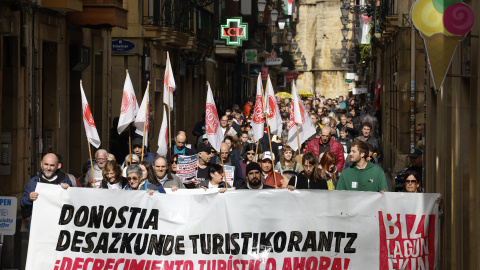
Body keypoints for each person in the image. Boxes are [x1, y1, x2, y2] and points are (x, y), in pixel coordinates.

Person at [20, 153, 72, 228]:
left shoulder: (65, 182)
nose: (48, 168)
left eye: (52, 165)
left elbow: (73, 203)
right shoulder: (33, 182)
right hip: (38, 227)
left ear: (58, 166)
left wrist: (68, 190)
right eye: (46, 164)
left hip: (58, 227)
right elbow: (22, 201)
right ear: (41, 164)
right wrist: (29, 198)